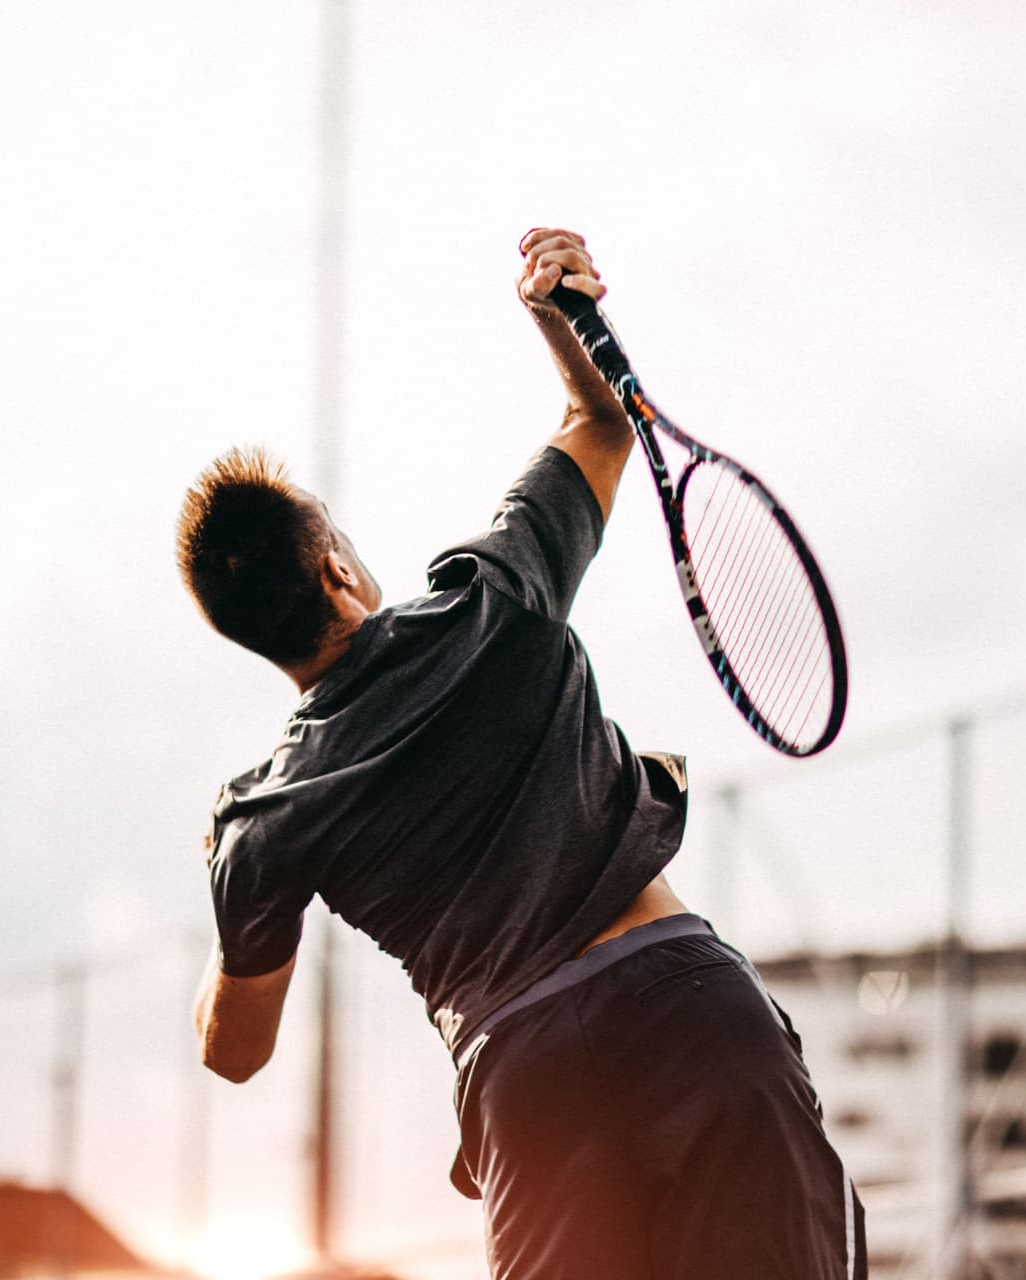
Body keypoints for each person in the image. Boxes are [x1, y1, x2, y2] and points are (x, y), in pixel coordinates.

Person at [177, 228, 866, 1279]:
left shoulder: (266, 818)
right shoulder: (491, 595)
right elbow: (601, 417)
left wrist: (228, 878)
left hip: (529, 1082)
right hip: (685, 1009)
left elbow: (233, 1050)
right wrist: (557, 313)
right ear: (335, 572)